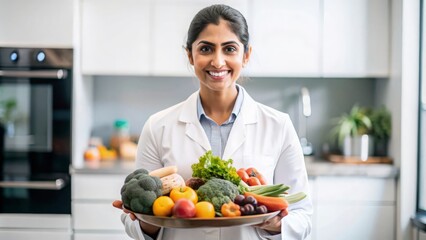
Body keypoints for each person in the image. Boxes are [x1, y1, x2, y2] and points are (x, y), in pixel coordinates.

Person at [113, 4, 312, 240]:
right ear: (190, 55)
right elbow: (135, 221)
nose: (218, 62)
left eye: (229, 49)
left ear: (246, 55)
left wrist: (274, 224)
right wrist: (146, 222)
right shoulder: (158, 127)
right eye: (206, 48)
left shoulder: (279, 125)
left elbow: (302, 217)